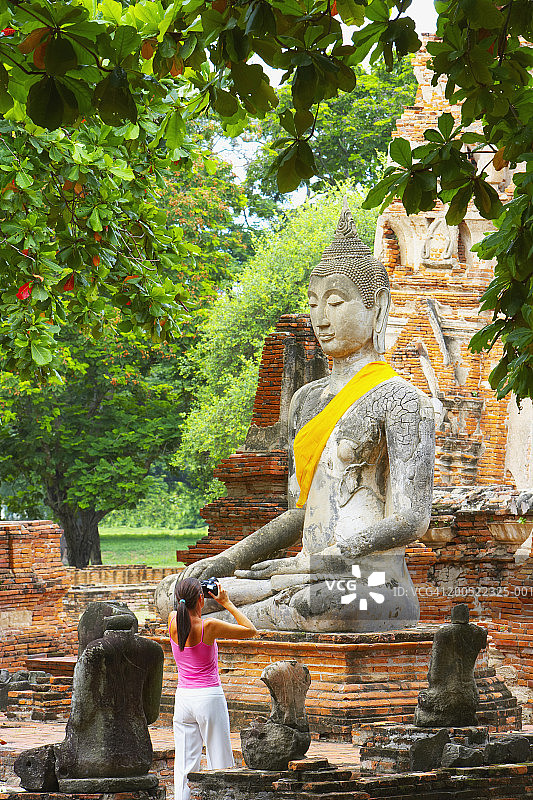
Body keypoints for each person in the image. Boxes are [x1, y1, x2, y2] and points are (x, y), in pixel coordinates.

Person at [163, 202, 435, 633]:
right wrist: (230, 557)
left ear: (377, 307)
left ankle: (227, 627)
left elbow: (411, 519)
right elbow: (300, 512)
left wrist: (333, 554)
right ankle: (229, 621)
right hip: (301, 571)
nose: (321, 319)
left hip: (371, 579)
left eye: (336, 301)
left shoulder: (401, 400)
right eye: (313, 303)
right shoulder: (306, 401)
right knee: (176, 595)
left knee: (315, 602)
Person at [169, 577, 257, 800]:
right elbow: (250, 629)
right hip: (208, 697)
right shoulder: (208, 626)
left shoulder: (172, 620)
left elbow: (185, 615)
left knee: (184, 766)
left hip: (183, 699)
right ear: (201, 599)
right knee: (220, 760)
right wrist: (225, 602)